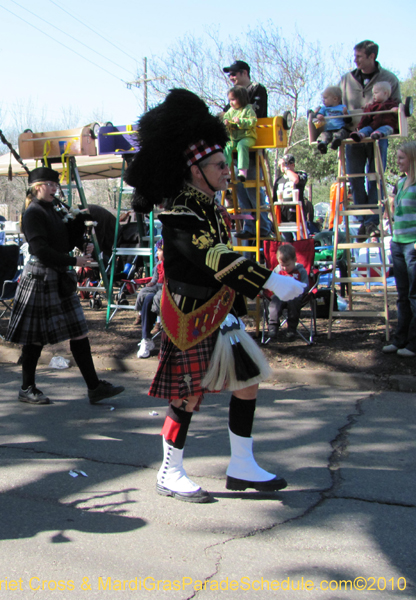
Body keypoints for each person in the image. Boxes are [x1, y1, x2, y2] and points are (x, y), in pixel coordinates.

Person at [125, 89, 306, 503]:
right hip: (189, 315)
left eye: (226, 164)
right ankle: (170, 472)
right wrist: (273, 281)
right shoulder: (180, 212)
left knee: (247, 382)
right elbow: (214, 256)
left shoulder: (207, 206)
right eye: (219, 165)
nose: (228, 171)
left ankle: (241, 464)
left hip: (221, 311)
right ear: (195, 170)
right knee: (187, 395)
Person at [5, 167, 124, 406]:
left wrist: (81, 243)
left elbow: (64, 240)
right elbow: (39, 249)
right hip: (40, 277)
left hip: (60, 276)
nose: (54, 188)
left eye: (55, 184)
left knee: (79, 331)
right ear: (37, 186)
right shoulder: (33, 213)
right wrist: (74, 260)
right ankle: (27, 387)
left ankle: (94, 387)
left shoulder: (55, 210)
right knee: (35, 338)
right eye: (49, 184)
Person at [340, 40, 401, 235]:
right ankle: (362, 218)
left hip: (377, 135)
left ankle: (373, 221)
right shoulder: (347, 79)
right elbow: (337, 104)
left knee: (375, 177)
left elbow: (398, 108)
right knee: (354, 177)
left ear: (372, 57)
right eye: (355, 56)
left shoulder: (388, 78)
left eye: (359, 56)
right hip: (354, 136)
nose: (355, 60)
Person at [222, 61, 271, 239]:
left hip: (251, 146)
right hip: (235, 149)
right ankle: (250, 226)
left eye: (234, 74)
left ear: (244, 73)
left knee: (253, 189)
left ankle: (264, 226)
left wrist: (234, 119)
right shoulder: (233, 97)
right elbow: (225, 112)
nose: (231, 78)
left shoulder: (257, 90)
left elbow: (257, 114)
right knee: (240, 190)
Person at [382, 142, 416, 358]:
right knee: (402, 294)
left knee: (414, 294)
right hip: (398, 242)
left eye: (402, 158)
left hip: (412, 244)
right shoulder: (401, 182)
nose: (397, 161)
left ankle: (413, 343)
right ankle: (399, 339)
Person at [267, 243, 309, 341]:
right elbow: (271, 284)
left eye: (288, 265)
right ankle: (273, 327)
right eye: (282, 265)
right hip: (280, 295)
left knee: (294, 302)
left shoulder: (300, 271)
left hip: (295, 295)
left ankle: (291, 329)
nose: (285, 268)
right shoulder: (277, 271)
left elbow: (305, 286)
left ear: (295, 260)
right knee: (274, 303)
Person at [136, 242, 164, 359]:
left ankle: (149, 334)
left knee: (157, 298)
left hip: (168, 288)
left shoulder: (173, 265)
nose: (157, 253)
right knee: (146, 297)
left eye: (159, 251)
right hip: (158, 286)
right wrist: (152, 282)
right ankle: (146, 339)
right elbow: (155, 279)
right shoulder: (159, 265)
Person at [222, 86, 257, 182]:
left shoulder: (248, 109)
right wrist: (226, 123)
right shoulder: (230, 111)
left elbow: (252, 122)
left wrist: (240, 121)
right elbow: (225, 120)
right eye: (229, 100)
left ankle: (242, 171)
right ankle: (226, 171)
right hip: (234, 138)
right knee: (227, 146)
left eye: (233, 99)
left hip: (247, 137)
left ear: (241, 98)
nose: (231, 102)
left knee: (242, 145)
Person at [312, 86, 349, 153]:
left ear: (335, 99)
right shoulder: (324, 108)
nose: (323, 100)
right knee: (324, 135)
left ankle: (336, 142)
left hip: (340, 128)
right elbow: (318, 115)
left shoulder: (342, 108)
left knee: (342, 133)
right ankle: (323, 145)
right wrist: (318, 115)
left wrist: (345, 113)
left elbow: (348, 121)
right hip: (328, 130)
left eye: (325, 98)